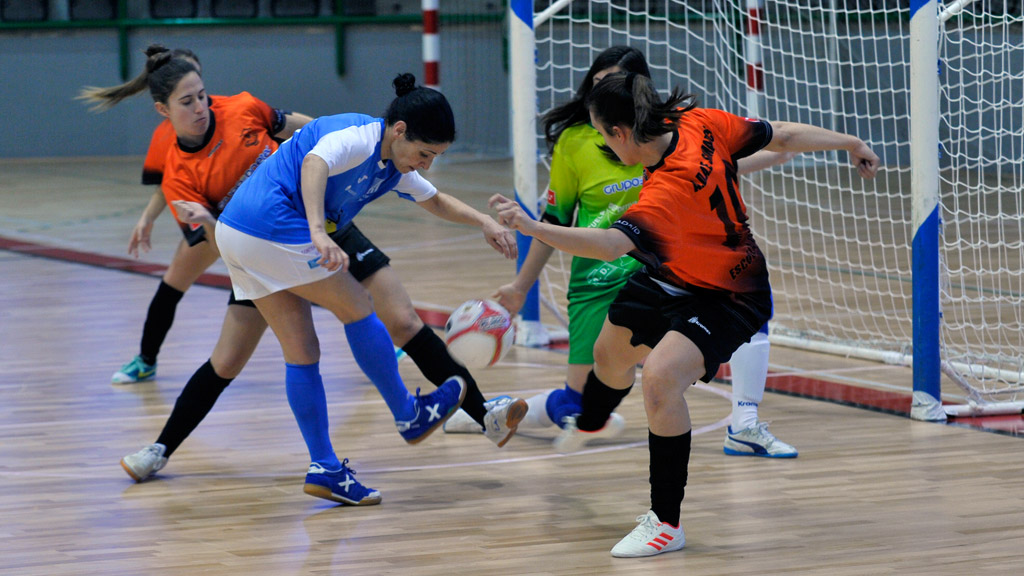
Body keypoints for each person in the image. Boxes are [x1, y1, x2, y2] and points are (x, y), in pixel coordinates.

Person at [491, 71, 879, 557]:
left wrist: (533, 227)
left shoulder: (666, 190)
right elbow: (782, 134)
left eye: (601, 134)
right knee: (607, 355)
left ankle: (666, 522)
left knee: (659, 378)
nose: (604, 146)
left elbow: (611, 246)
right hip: (670, 277)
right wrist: (850, 141)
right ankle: (589, 420)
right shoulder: (699, 121)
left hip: (730, 293)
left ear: (620, 134)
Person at [170, 72, 521, 504]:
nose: (426, 163)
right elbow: (316, 164)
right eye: (425, 153)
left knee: (302, 351)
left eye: (436, 157)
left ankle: (326, 468)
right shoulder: (357, 135)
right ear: (399, 131)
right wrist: (318, 231)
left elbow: (434, 199)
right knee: (358, 304)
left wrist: (484, 222)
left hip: (236, 235)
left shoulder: (396, 164)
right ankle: (408, 413)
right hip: (271, 222)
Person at [445, 46, 797, 458]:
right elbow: (557, 220)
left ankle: (745, 422)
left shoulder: (671, 131)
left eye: (612, 84)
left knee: (742, 299)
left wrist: (777, 147)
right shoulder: (577, 142)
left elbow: (722, 162)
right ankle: (490, 412)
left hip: (664, 274)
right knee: (581, 402)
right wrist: (522, 286)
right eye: (597, 83)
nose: (602, 92)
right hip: (598, 280)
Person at [80, 47, 311, 385]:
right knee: (173, 284)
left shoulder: (233, 108)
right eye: (187, 99)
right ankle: (146, 359)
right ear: (166, 104)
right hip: (215, 219)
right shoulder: (169, 135)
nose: (200, 103)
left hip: (271, 214)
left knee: (342, 270)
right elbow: (170, 181)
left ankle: (387, 333)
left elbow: (290, 127)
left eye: (201, 91)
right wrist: (148, 218)